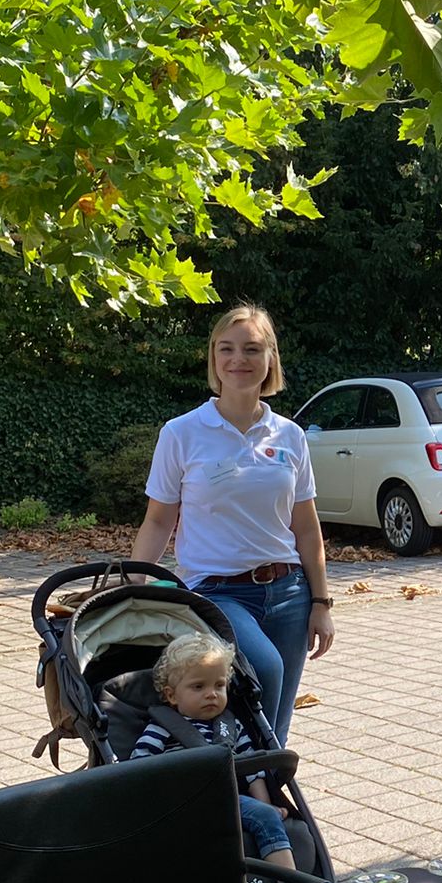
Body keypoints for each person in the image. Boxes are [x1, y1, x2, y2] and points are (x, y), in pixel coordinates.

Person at [130, 305, 332, 747]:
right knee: (266, 670)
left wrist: (321, 602)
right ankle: (251, 778)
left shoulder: (290, 435)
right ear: (214, 358)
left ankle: (262, 782)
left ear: (270, 358)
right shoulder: (182, 433)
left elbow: (306, 527)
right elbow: (159, 520)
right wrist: (133, 585)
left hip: (290, 594)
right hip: (217, 592)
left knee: (275, 721)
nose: (238, 359)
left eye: (252, 349)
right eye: (227, 349)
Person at [131, 633, 299, 874]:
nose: (211, 693)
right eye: (198, 687)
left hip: (227, 799)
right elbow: (138, 768)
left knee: (265, 815)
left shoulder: (231, 726)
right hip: (180, 803)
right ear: (171, 695)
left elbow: (254, 769)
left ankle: (289, 882)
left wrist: (265, 804)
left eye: (219, 685)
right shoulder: (161, 728)